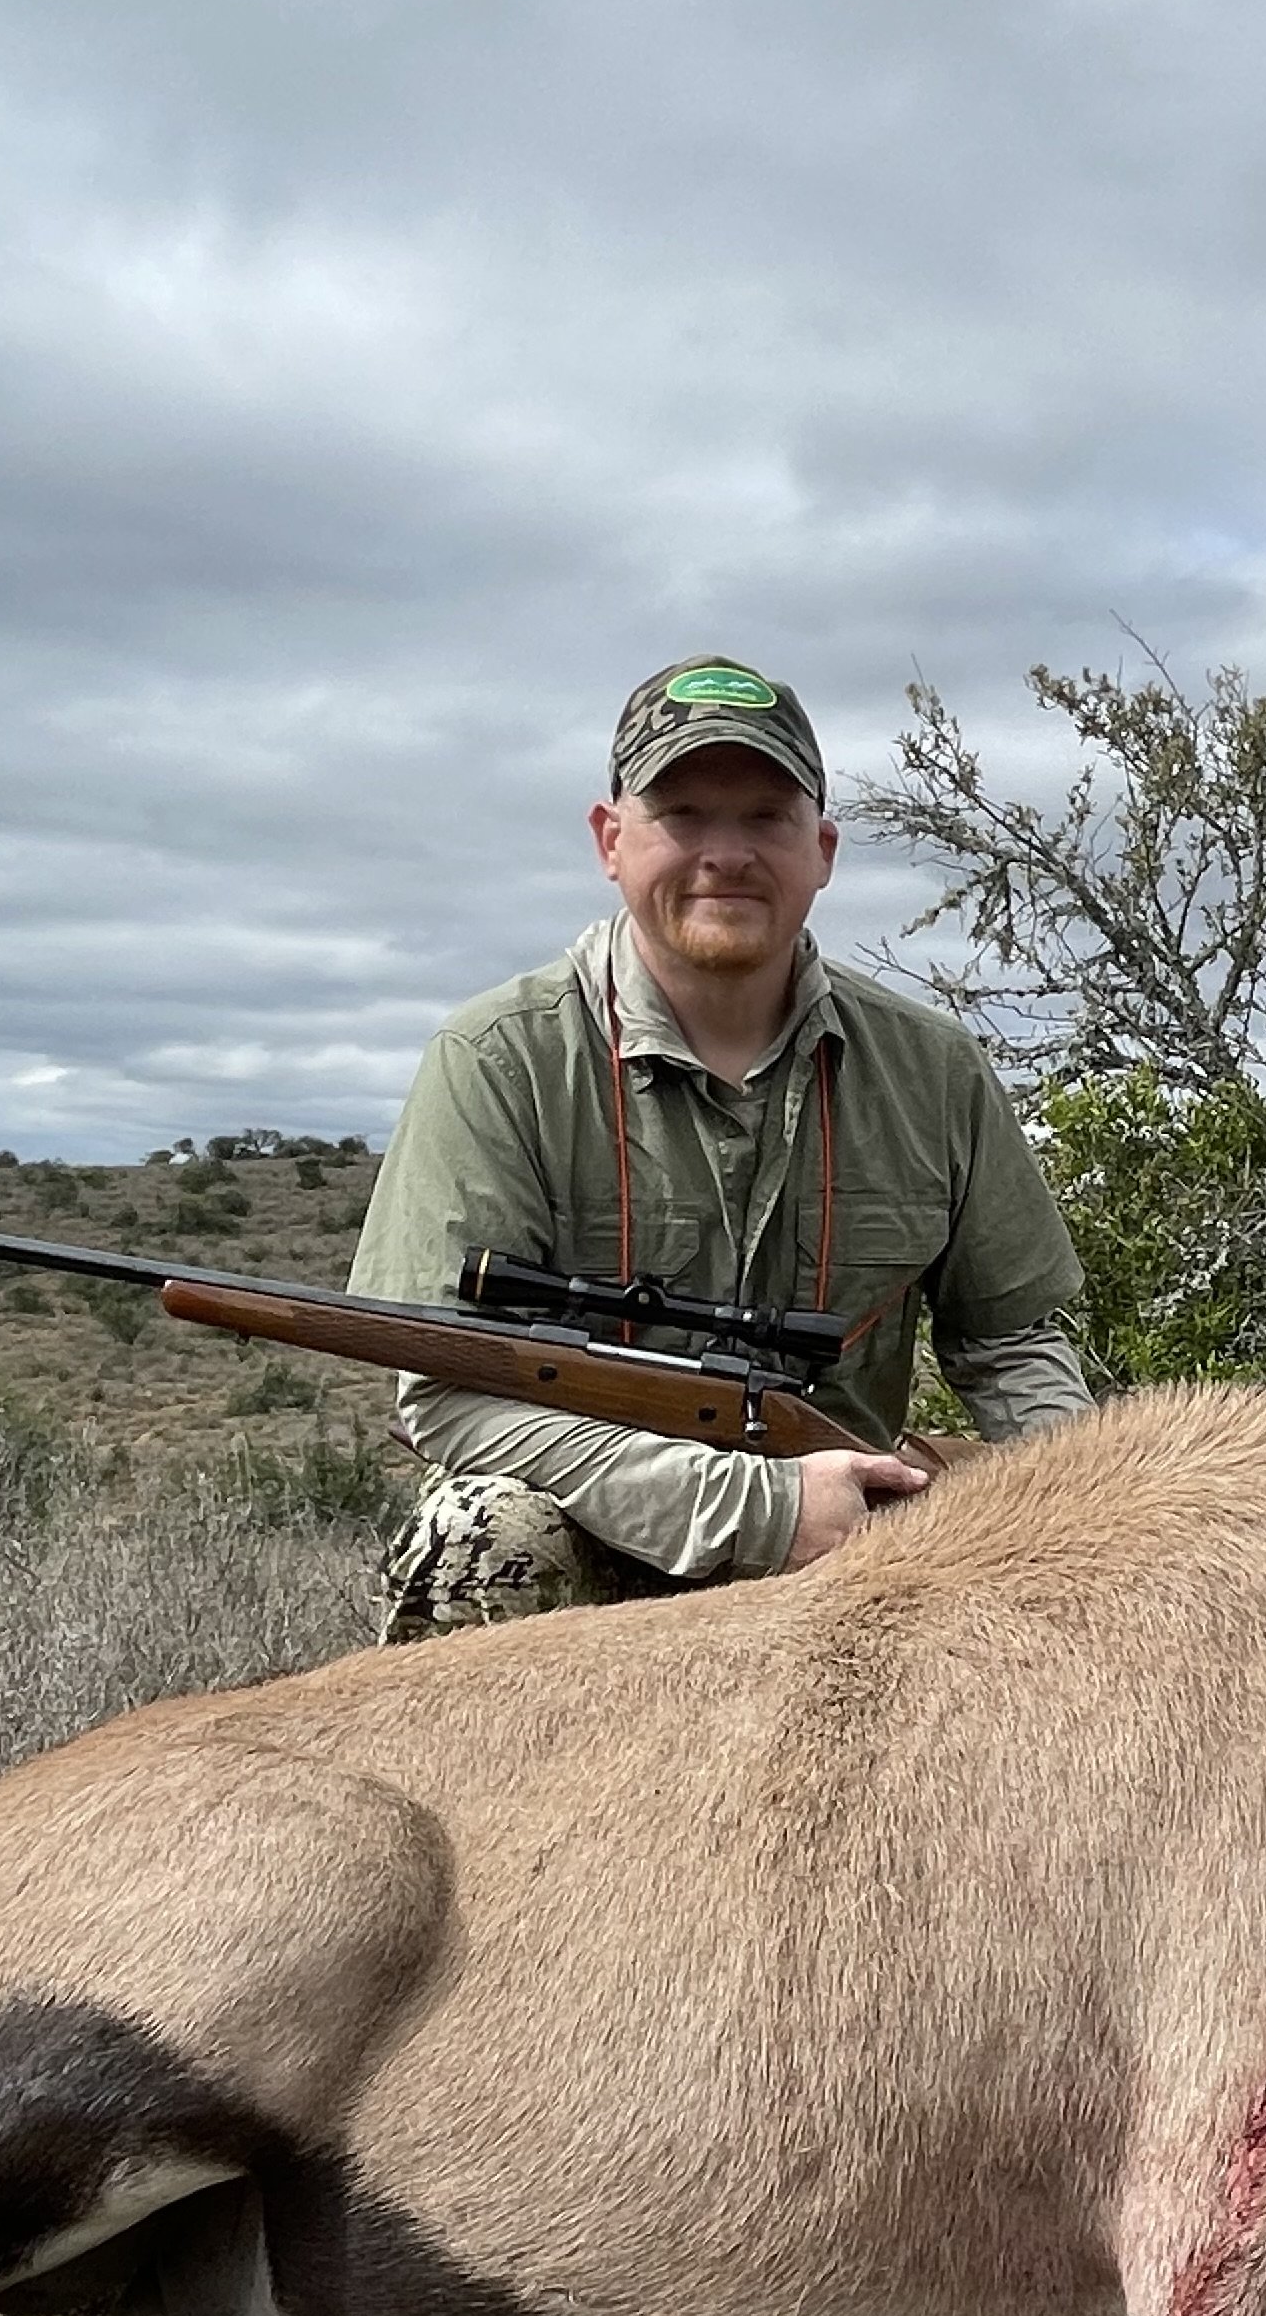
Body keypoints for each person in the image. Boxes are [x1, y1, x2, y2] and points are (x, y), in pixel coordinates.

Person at [347, 655, 1091, 1636]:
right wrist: (757, 1511)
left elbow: (1015, 1351)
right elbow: (447, 1397)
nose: (726, 853)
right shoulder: (497, 1059)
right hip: (600, 1542)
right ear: (611, 840)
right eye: (684, 815)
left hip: (856, 1542)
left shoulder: (936, 1069)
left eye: (766, 818)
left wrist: (1095, 1531)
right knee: (491, 1531)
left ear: (821, 848)